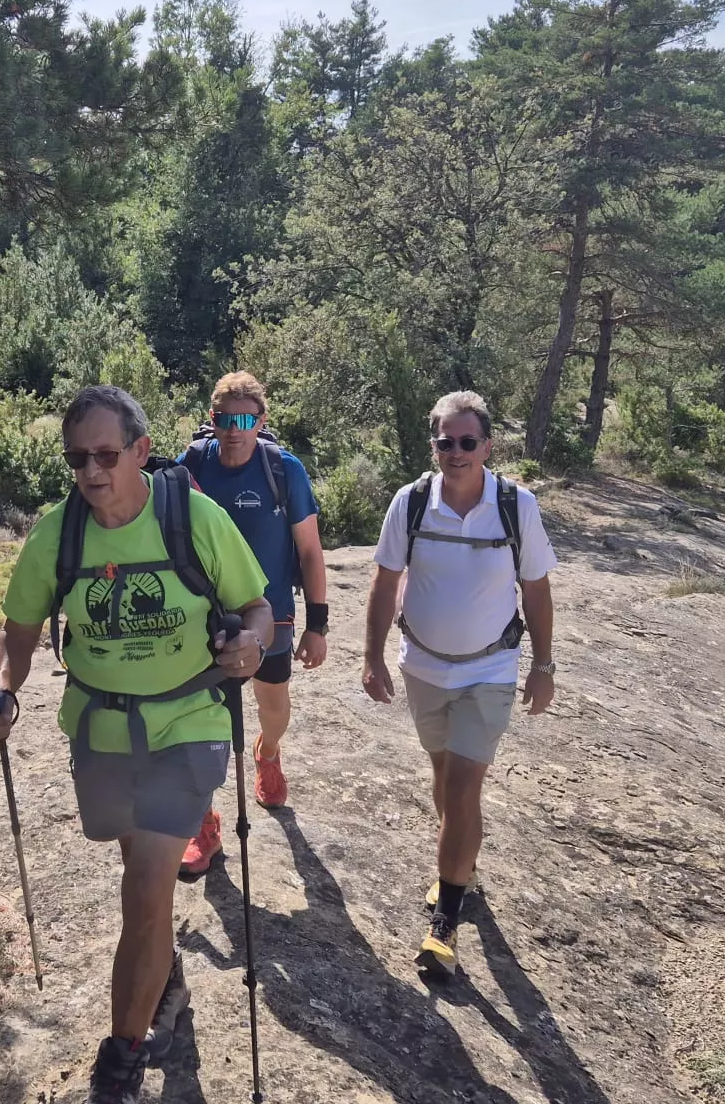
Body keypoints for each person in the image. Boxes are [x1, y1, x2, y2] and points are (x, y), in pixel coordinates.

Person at [0, 385, 272, 1104]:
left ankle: (119, 1075)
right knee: (134, 871)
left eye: (105, 455)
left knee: (147, 888)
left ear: (141, 452)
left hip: (188, 720)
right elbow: (18, 635)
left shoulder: (193, 520)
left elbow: (257, 608)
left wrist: (249, 647)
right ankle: (162, 983)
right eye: (77, 458)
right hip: (102, 728)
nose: (90, 471)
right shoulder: (58, 535)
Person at [361, 392, 557, 981]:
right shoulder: (413, 502)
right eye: (446, 441)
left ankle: (444, 919)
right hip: (423, 666)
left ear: (487, 446)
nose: (456, 452)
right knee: (443, 777)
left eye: (467, 442)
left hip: (489, 670)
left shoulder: (515, 506)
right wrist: (372, 656)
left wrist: (543, 666)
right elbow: (384, 580)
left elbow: (537, 591)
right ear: (434, 445)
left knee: (466, 785)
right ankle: (461, 866)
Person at [176, 370, 327, 879]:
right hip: (203, 617)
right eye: (223, 419)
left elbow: (309, 549)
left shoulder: (283, 470)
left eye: (244, 419)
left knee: (273, 707)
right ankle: (205, 824)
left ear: (262, 421)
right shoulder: (192, 466)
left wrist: (318, 624)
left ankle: (269, 751)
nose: (233, 429)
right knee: (199, 726)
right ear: (211, 420)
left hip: (272, 614)